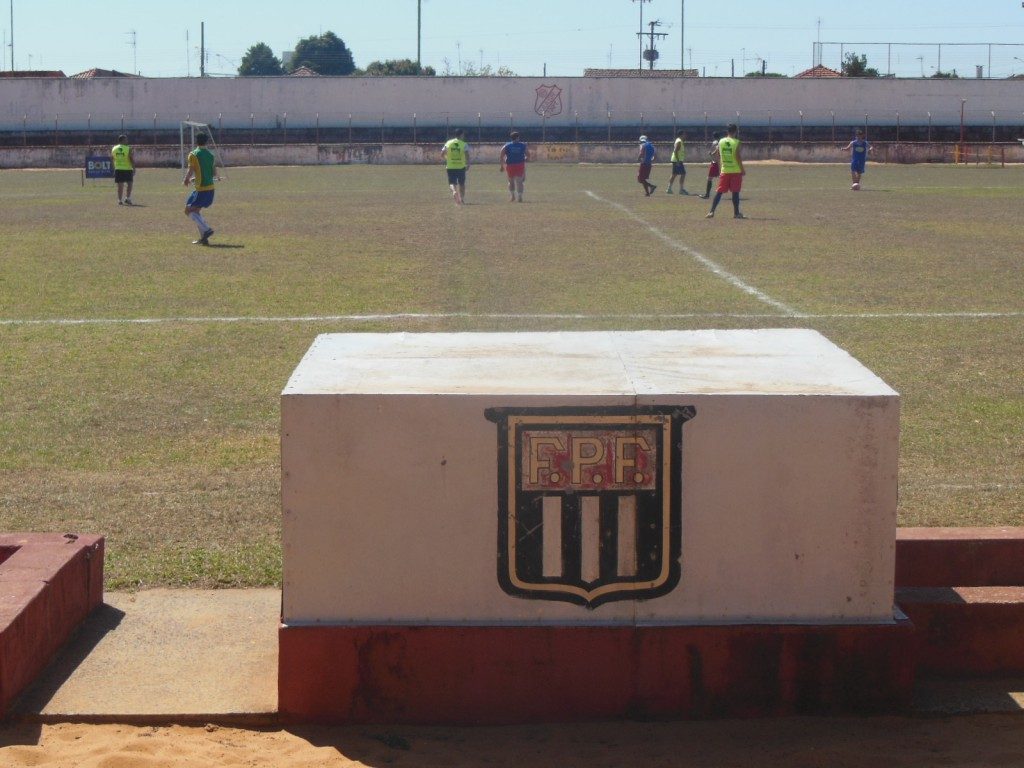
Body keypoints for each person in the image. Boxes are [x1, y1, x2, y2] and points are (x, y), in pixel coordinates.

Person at [182, 132, 217, 245]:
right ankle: (204, 238)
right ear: (206, 142)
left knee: (188, 210)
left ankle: (206, 229)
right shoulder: (211, 155)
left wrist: (186, 179)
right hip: (210, 188)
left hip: (201, 189)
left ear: (196, 141)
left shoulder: (193, 154)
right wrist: (194, 179)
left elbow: (191, 169)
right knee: (195, 211)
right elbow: (213, 173)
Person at [706, 124, 745, 219]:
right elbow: (737, 156)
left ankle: (711, 211)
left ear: (727, 131)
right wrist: (742, 169)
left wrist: (720, 169)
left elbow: (718, 156)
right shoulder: (737, 142)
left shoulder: (721, 142)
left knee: (719, 192)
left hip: (725, 170)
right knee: (735, 192)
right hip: (735, 170)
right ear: (736, 131)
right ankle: (736, 213)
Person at [442, 128, 470, 205]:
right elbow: (467, 155)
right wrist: (468, 164)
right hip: (461, 167)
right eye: (463, 134)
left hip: (450, 166)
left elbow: (442, 154)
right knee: (462, 184)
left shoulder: (448, 143)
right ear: (461, 135)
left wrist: (447, 159)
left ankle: (454, 191)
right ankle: (462, 199)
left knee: (452, 183)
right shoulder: (464, 144)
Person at [499, 131, 529, 202]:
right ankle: (520, 196)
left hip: (510, 165)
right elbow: (528, 155)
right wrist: (524, 160)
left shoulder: (506, 146)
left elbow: (501, 156)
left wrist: (502, 166)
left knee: (511, 181)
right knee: (520, 181)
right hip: (519, 165)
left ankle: (512, 196)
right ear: (518, 137)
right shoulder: (523, 145)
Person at [111, 134, 135, 205]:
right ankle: (127, 198)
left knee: (120, 185)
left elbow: (112, 159)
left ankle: (120, 200)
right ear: (123, 140)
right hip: (128, 169)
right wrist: (134, 168)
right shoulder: (128, 148)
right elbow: (131, 158)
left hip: (118, 169)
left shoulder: (114, 148)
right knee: (130, 184)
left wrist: (114, 168)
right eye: (126, 139)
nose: (127, 140)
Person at [698, 132, 721, 199]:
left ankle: (707, 195)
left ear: (713, 137)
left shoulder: (715, 142)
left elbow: (717, 149)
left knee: (709, 178)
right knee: (721, 177)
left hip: (715, 163)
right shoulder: (719, 142)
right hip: (717, 162)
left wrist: (712, 153)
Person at [666, 131, 689, 195]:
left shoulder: (679, 141)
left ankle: (669, 189)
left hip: (676, 160)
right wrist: (678, 161)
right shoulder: (679, 141)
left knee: (674, 174)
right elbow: (675, 150)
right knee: (683, 174)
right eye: (684, 134)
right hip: (677, 160)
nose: (685, 135)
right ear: (681, 134)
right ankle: (681, 190)